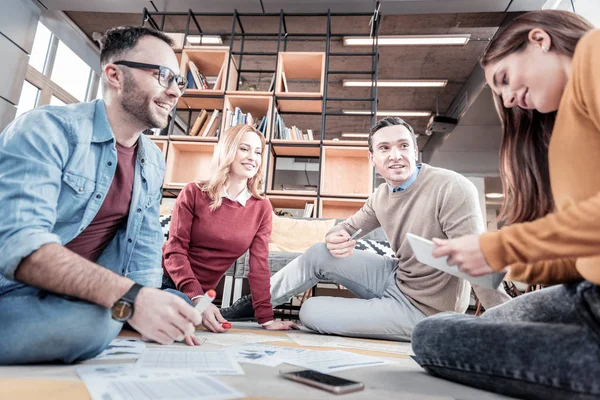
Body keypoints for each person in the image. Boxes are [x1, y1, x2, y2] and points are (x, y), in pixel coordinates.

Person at [411, 10, 600, 400]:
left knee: (439, 339)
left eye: (504, 80)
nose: (510, 98)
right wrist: (510, 262)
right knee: (436, 331)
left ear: (539, 40)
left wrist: (501, 247)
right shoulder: (563, 122)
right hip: (586, 291)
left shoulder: (594, 56)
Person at [0, 26, 204, 365]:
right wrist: (132, 299)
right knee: (100, 320)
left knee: (178, 304)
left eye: (178, 82)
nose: (174, 93)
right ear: (115, 75)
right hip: (11, 291)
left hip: (74, 294)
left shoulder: (152, 160)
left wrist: (153, 303)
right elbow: (22, 246)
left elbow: (143, 253)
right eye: (164, 76)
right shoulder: (45, 129)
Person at [220, 117, 510, 341]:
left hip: (427, 308)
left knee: (310, 312)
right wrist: (337, 238)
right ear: (373, 160)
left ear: (415, 151)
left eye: (403, 146)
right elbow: (346, 228)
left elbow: (477, 264)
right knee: (320, 252)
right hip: (397, 277)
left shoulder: (453, 188)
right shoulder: (381, 196)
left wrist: (510, 323)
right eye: (384, 148)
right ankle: (257, 303)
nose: (395, 155)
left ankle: (400, 321)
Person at [162, 124, 298, 333]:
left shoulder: (261, 207)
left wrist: (266, 318)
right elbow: (175, 250)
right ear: (228, 151)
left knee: (183, 316)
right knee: (177, 315)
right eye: (244, 149)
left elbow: (259, 266)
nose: (252, 156)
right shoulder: (194, 192)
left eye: (258, 151)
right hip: (165, 278)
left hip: (198, 295)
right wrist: (197, 298)